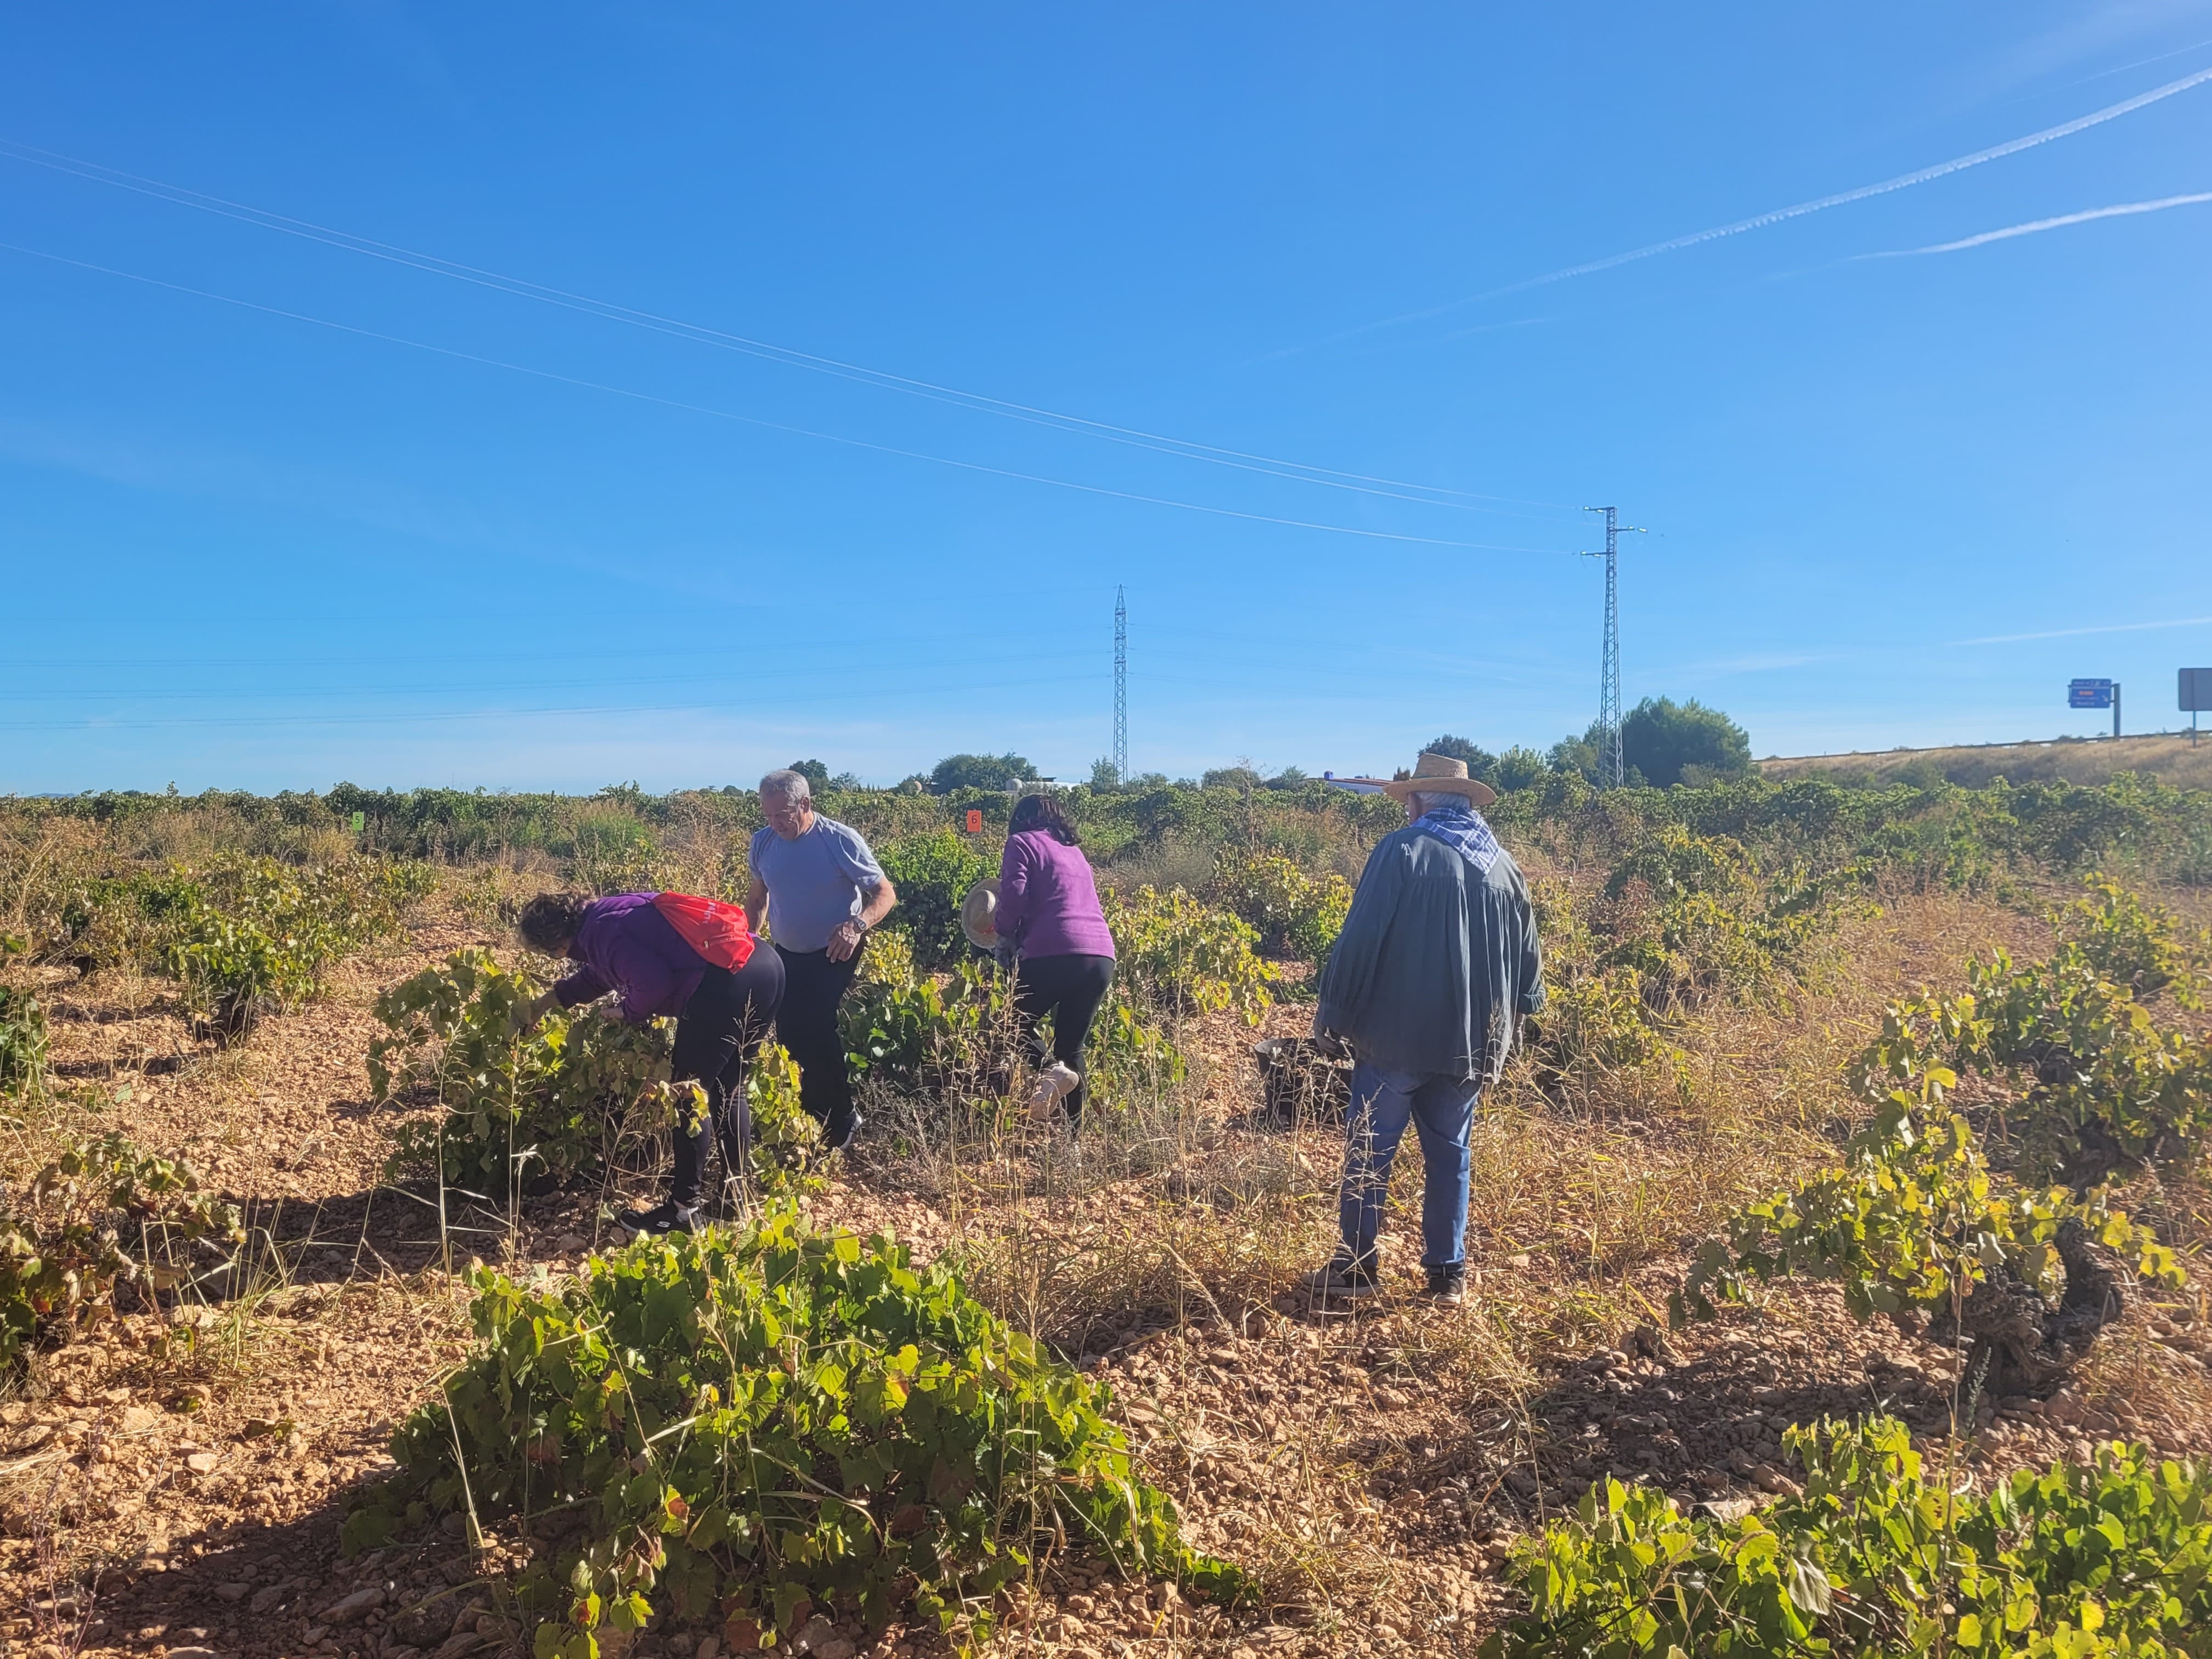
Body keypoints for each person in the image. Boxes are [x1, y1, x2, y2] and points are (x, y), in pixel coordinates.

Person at [1305, 752, 1545, 1304]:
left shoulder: (1402, 851)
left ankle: (1358, 1269)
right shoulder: (1505, 868)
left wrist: (1333, 1012)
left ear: (1417, 801)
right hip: (1472, 1046)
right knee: (1451, 1154)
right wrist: (1515, 1022)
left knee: (1370, 1149)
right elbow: (1529, 968)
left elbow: (1360, 940)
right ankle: (1447, 1276)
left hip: (1395, 1037)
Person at [512, 889, 783, 1235]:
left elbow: (653, 983)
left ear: (556, 943)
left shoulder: (599, 934)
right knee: (728, 1089)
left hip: (724, 983)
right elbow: (603, 973)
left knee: (687, 1096)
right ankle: (732, 1202)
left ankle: (683, 1211)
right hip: (762, 964)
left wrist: (627, 1012)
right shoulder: (608, 912)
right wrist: (547, 1002)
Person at [745, 769, 896, 1152]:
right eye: (768, 816)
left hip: (836, 948)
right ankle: (811, 1116)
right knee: (790, 1034)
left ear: (806, 804)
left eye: (783, 815)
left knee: (816, 1026)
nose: (775, 824)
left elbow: (884, 894)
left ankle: (842, 1119)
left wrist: (857, 925)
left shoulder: (838, 840)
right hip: (787, 952)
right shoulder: (763, 844)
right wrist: (746, 941)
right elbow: (758, 899)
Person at [989, 792, 1118, 1127]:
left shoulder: (1022, 842)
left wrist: (1002, 932)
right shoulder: (1075, 852)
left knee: (1010, 1023)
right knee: (1072, 1048)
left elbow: (1014, 895)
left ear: (1020, 820)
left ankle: (1050, 1071)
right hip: (1100, 956)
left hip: (1054, 950)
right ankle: (1072, 1145)